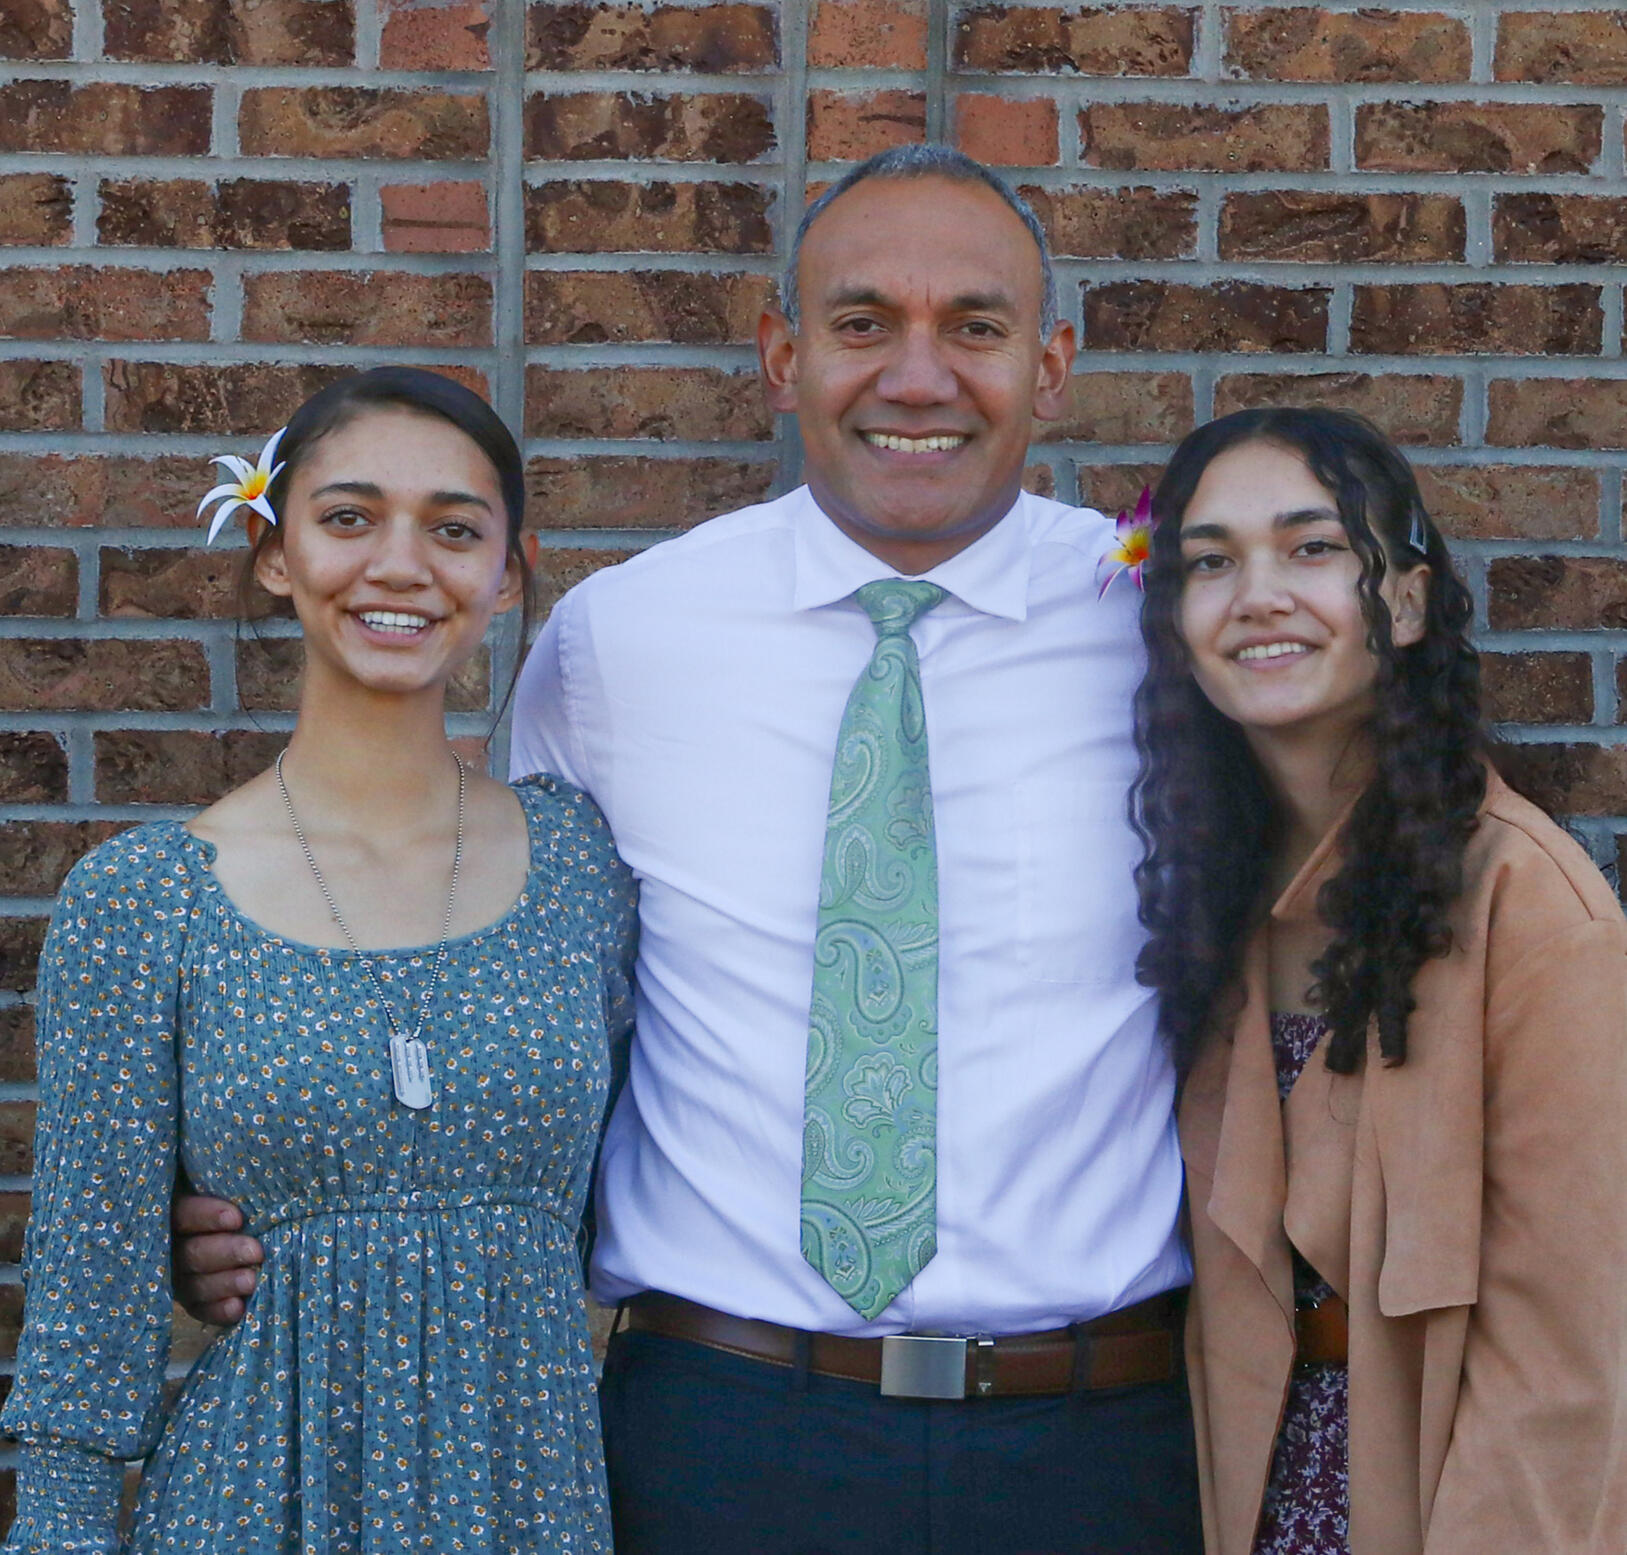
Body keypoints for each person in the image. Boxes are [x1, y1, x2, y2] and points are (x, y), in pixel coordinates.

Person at [173, 147, 1202, 1553]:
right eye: (860, 323)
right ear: (782, 356)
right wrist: (284, 1195)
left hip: (1098, 1444)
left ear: (1051, 365)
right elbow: (499, 970)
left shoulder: (1165, 627)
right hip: (723, 1434)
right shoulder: (625, 640)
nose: (916, 377)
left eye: (974, 326)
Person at [3, 367, 637, 1555]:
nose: (400, 564)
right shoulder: (146, 903)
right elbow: (86, 1314)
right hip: (251, 1506)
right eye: (349, 517)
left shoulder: (580, 868)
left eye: (453, 529)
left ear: (507, 574)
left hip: (527, 1501)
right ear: (275, 553)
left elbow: (656, 1175)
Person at [1133, 405, 1627, 1554]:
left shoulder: (1530, 909)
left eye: (1311, 548)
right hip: (1242, 1495)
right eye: (1210, 561)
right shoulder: (1215, 903)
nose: (1257, 594)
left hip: (1433, 1502)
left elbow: (1566, 1368)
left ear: (1403, 603)